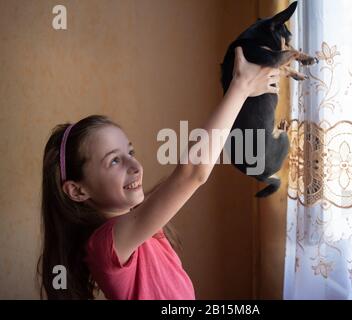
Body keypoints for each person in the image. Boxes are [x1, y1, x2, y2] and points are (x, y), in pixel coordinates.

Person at [37, 47, 280, 299]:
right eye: (114, 161)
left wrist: (245, 94)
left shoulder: (135, 222)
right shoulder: (106, 244)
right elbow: (192, 173)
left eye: (130, 152)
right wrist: (240, 87)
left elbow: (187, 172)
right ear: (78, 190)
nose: (135, 166)